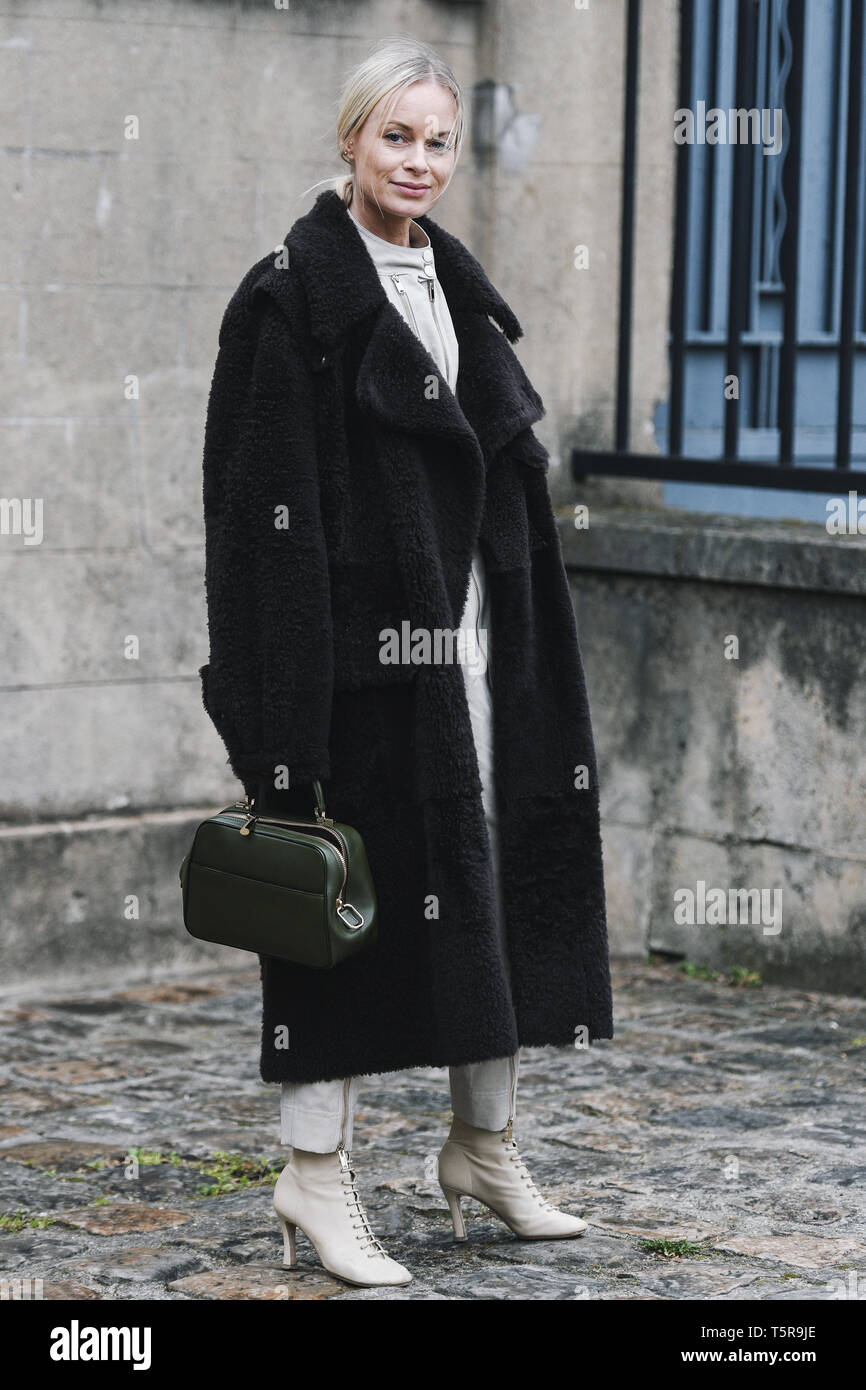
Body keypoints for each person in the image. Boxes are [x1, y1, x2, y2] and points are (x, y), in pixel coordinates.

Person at [199, 34, 613, 1289]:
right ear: (349, 139)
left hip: (483, 654)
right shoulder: (292, 298)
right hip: (358, 674)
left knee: (488, 880)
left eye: (437, 140)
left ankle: (481, 1147)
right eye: (396, 136)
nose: (418, 161)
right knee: (334, 906)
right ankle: (312, 1177)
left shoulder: (456, 292)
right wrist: (281, 718)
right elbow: (256, 521)